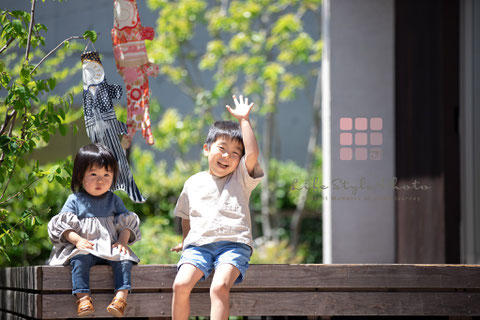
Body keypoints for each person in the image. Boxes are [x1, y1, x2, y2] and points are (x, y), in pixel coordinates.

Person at [171, 95, 264, 319]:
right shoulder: (193, 182)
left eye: (235, 153)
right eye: (221, 148)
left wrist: (244, 120)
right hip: (199, 246)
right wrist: (185, 240)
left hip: (233, 245)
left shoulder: (241, 177)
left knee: (219, 286)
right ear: (206, 149)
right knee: (180, 285)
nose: (227, 156)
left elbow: (252, 154)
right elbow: (186, 216)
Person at [47, 143, 141, 318]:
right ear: (80, 175)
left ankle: (120, 297)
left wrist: (122, 242)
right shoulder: (75, 200)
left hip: (109, 246)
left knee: (124, 259)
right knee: (79, 259)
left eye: (107, 174)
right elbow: (65, 227)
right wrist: (77, 240)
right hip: (86, 246)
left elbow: (126, 224)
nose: (101, 180)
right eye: (93, 174)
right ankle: (83, 297)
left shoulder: (114, 200)